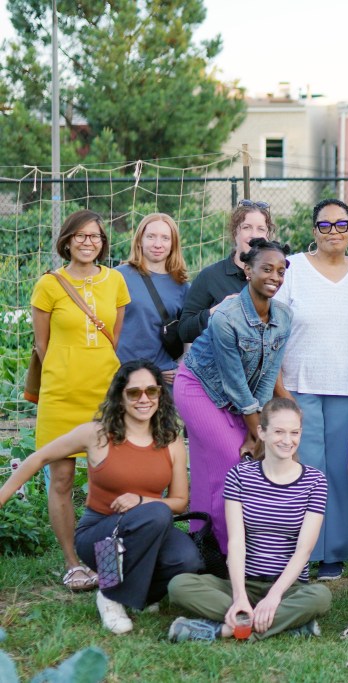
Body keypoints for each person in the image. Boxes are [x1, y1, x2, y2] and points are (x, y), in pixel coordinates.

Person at [0, 360, 202, 634]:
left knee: (188, 560)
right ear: (120, 396)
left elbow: (179, 502)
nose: (144, 399)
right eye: (134, 393)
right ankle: (110, 594)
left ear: (160, 394)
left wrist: (141, 501)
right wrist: (2, 496)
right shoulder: (96, 433)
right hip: (99, 534)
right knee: (158, 513)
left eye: (151, 391)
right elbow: (40, 457)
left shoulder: (171, 438)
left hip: (151, 528)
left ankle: (140, 594)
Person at [167, 398, 331, 642]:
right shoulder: (240, 475)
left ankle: (225, 629)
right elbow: (236, 542)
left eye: (294, 432)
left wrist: (274, 596)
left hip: (289, 588)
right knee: (179, 585)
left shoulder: (315, 481)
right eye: (279, 432)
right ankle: (285, 623)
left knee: (321, 596)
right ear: (261, 432)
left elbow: (303, 551)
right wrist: (240, 595)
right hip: (245, 581)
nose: (288, 440)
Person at [273, 198, 348, 581]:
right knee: (304, 470)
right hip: (298, 386)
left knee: (342, 471)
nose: (334, 231)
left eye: (341, 224)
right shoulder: (292, 269)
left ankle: (336, 553)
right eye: (325, 225)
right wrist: (280, 388)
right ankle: (302, 551)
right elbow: (276, 331)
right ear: (314, 230)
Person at [31, 209, 130, 591]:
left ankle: (105, 563)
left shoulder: (116, 281)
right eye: (81, 236)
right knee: (61, 477)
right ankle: (73, 563)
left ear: (103, 243)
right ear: (67, 240)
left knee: (104, 481)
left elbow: (114, 337)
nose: (88, 242)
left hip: (103, 394)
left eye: (95, 236)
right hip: (60, 394)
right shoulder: (48, 285)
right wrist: (65, 371)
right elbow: (42, 345)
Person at [173, 238, 293, 553]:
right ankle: (232, 554)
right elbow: (235, 384)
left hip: (241, 399)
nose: (275, 277)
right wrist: (259, 435)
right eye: (266, 269)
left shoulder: (284, 317)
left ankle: (201, 545)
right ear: (248, 270)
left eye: (281, 271)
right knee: (233, 462)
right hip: (198, 388)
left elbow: (268, 374)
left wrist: (258, 432)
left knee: (209, 470)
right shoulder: (226, 316)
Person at [178, 200, 274, 344]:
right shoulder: (210, 276)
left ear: (267, 236)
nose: (254, 235)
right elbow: (184, 331)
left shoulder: (276, 278)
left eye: (261, 229)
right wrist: (216, 311)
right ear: (235, 232)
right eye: (246, 227)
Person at [116, 213, 190, 385]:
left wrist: (181, 367)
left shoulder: (182, 286)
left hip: (163, 382)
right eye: (151, 237)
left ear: (173, 244)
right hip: (124, 378)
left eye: (165, 238)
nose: (158, 244)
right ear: (140, 240)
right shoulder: (118, 276)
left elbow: (189, 336)